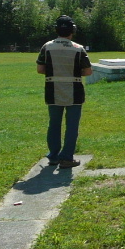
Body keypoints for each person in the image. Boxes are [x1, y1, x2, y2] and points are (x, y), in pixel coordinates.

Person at [36, 15, 92, 168]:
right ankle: (67, 157)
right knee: (72, 125)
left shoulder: (46, 46)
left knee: (54, 124)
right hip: (74, 91)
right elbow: (88, 71)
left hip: (52, 89)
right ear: (72, 30)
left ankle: (53, 156)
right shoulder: (78, 48)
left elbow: (40, 69)